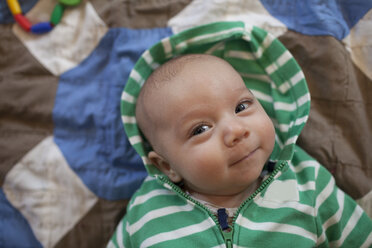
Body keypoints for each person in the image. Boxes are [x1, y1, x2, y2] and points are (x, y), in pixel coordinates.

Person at [108, 23, 372, 248]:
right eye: (201, 129)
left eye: (241, 107)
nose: (236, 130)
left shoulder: (308, 185)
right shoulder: (146, 209)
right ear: (167, 166)